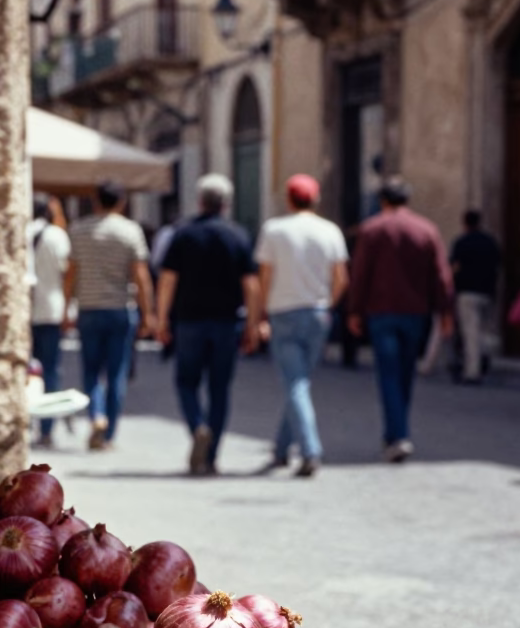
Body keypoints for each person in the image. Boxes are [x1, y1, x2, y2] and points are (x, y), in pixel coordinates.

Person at [156, 174, 260, 476]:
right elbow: (252, 285)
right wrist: (254, 324)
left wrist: (161, 319)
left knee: (186, 382)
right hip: (227, 324)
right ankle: (211, 455)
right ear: (226, 203)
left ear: (200, 201)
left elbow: (167, 281)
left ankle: (197, 427)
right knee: (219, 389)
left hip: (189, 322)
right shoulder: (238, 235)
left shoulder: (183, 234)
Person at [347, 176, 454, 462]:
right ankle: (397, 432)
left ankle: (397, 434)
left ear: (383, 200)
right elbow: (441, 275)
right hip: (415, 313)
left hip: (382, 312)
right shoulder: (427, 230)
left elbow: (360, 274)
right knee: (405, 374)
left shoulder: (371, 230)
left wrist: (354, 310)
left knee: (389, 374)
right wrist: (445, 311)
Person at [255, 174, 348, 477]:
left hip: (283, 313)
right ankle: (282, 448)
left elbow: (264, 278)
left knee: (295, 383)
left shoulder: (274, 230)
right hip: (317, 313)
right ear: (315, 199)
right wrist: (328, 304)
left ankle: (310, 451)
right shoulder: (330, 231)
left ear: (289, 199)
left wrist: (260, 316)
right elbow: (341, 279)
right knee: (299, 383)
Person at [64, 180, 155, 450]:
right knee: (116, 373)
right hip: (119, 310)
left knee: (91, 371)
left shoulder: (78, 230)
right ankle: (110, 433)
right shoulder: (130, 231)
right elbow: (141, 276)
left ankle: (96, 416)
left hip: (88, 309)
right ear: (122, 202)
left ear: (95, 201)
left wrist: (66, 308)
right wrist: (149, 313)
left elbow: (70, 273)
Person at [29, 193, 71, 448]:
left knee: (25, 372)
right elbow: (67, 272)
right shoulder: (57, 235)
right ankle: (46, 428)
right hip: (51, 311)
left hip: (25, 313)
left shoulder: (22, 231)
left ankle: (27, 423)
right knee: (50, 370)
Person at [450, 210, 502, 384]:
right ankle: (484, 358)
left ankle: (472, 371)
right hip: (487, 291)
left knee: (470, 332)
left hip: (467, 291)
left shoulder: (462, 242)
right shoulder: (490, 242)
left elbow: (454, 266)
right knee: (484, 330)